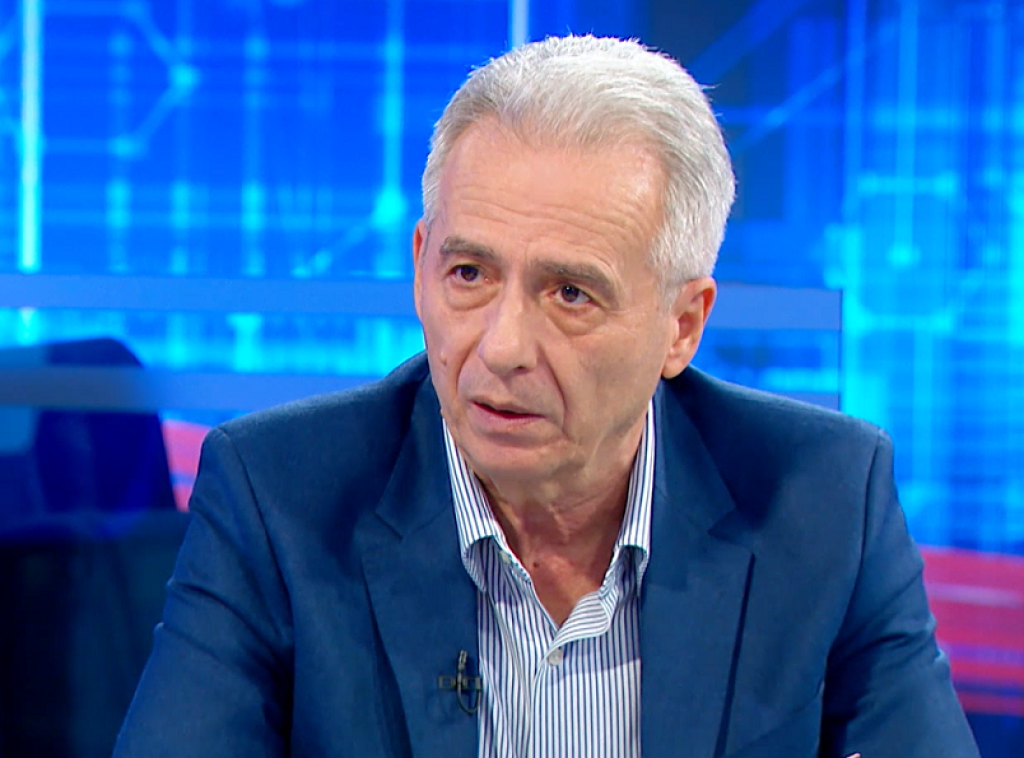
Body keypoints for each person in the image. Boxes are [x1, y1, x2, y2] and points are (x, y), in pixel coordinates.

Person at [114, 35, 980, 758]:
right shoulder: (278, 498)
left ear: (682, 325)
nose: (501, 347)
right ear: (419, 266)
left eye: (570, 293)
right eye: (469, 273)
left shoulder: (824, 500)